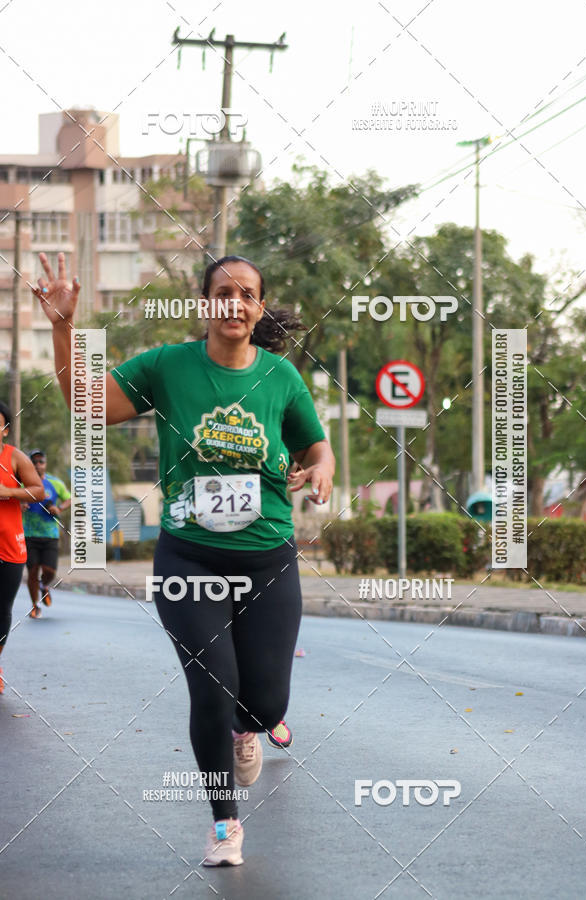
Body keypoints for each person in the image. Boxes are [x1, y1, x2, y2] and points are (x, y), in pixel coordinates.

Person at [34, 250, 335, 866]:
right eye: (224, 291)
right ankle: (225, 824)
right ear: (206, 305)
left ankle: (251, 726)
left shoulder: (280, 377)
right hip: (189, 558)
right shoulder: (169, 366)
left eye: (248, 293)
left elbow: (316, 444)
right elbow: (89, 404)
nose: (236, 302)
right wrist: (64, 326)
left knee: (265, 702)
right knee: (211, 688)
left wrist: (323, 470)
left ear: (256, 308)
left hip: (267, 557)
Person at [0, 401, 45, 694]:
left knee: (1, 608)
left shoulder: (14, 457)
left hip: (8, 547)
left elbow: (38, 490)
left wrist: (9, 492)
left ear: (4, 429)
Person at [22, 450, 71, 618]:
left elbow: (69, 498)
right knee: (33, 571)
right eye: (34, 462)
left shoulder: (55, 483)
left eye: (40, 462)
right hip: (29, 534)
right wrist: (20, 504)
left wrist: (59, 508)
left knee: (49, 571)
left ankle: (44, 586)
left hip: (50, 534)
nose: (37, 465)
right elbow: (10, 498)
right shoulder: (23, 484)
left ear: (45, 464)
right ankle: (35, 605)